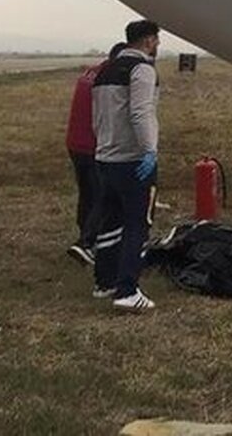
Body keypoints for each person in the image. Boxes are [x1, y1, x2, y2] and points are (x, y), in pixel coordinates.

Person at [91, 20, 162, 311]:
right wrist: (150, 151)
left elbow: (97, 116)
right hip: (133, 161)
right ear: (147, 41)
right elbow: (141, 112)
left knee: (110, 221)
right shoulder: (142, 69)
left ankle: (104, 282)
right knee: (137, 225)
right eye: (156, 40)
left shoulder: (104, 70)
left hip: (105, 157)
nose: (158, 45)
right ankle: (127, 290)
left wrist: (103, 145)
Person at [64, 42, 126, 265]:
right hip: (93, 146)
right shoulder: (110, 79)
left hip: (74, 143)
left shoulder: (90, 72)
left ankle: (84, 235)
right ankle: (87, 243)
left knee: (87, 193)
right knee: (103, 195)